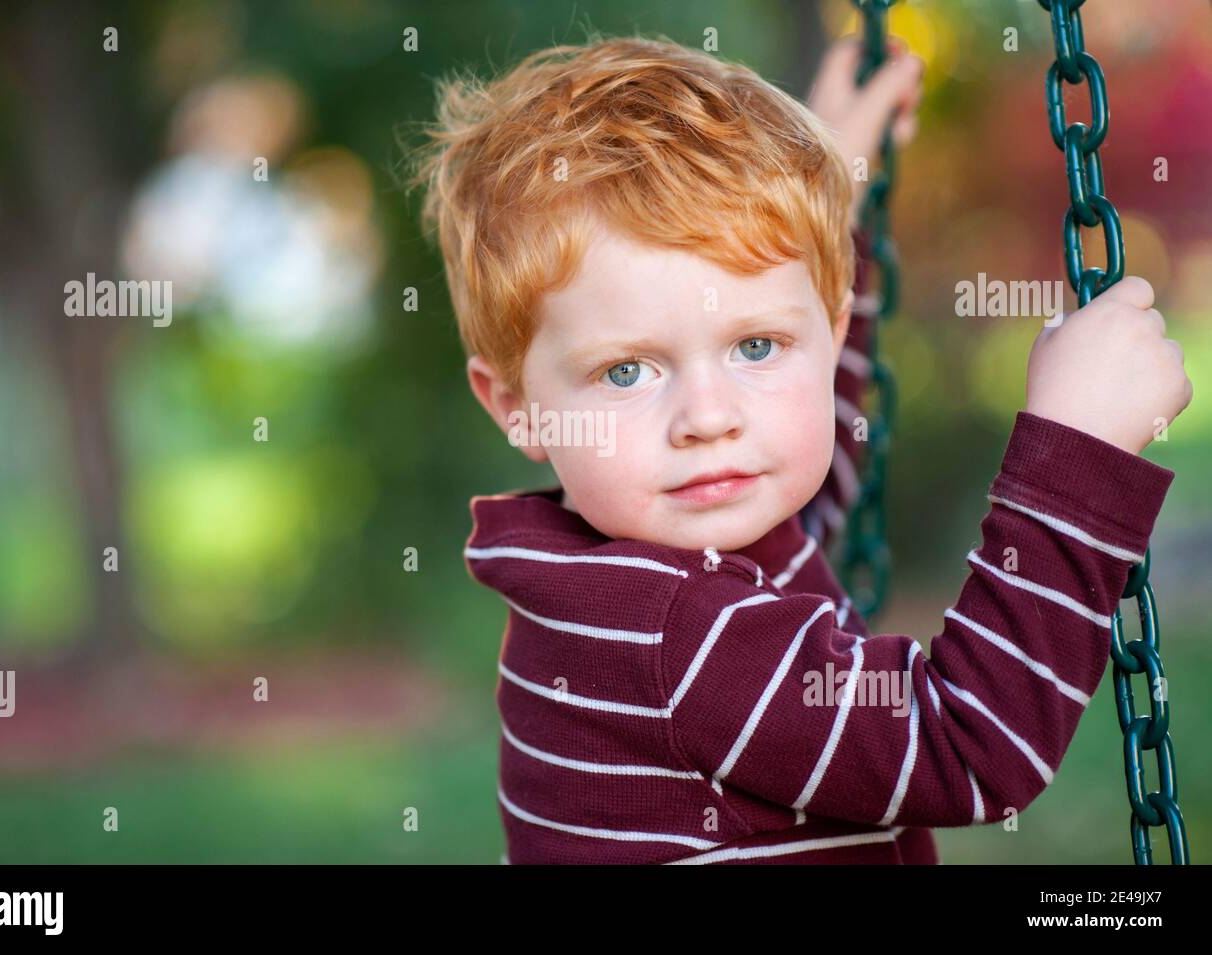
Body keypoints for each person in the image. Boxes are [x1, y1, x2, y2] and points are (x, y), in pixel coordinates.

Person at [404, 32, 1192, 863]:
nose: (710, 418)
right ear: (517, 406)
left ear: (830, 325)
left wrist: (828, 189)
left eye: (754, 347)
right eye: (627, 370)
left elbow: (812, 454)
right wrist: (1078, 452)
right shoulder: (676, 636)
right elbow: (965, 744)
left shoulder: (622, 568)